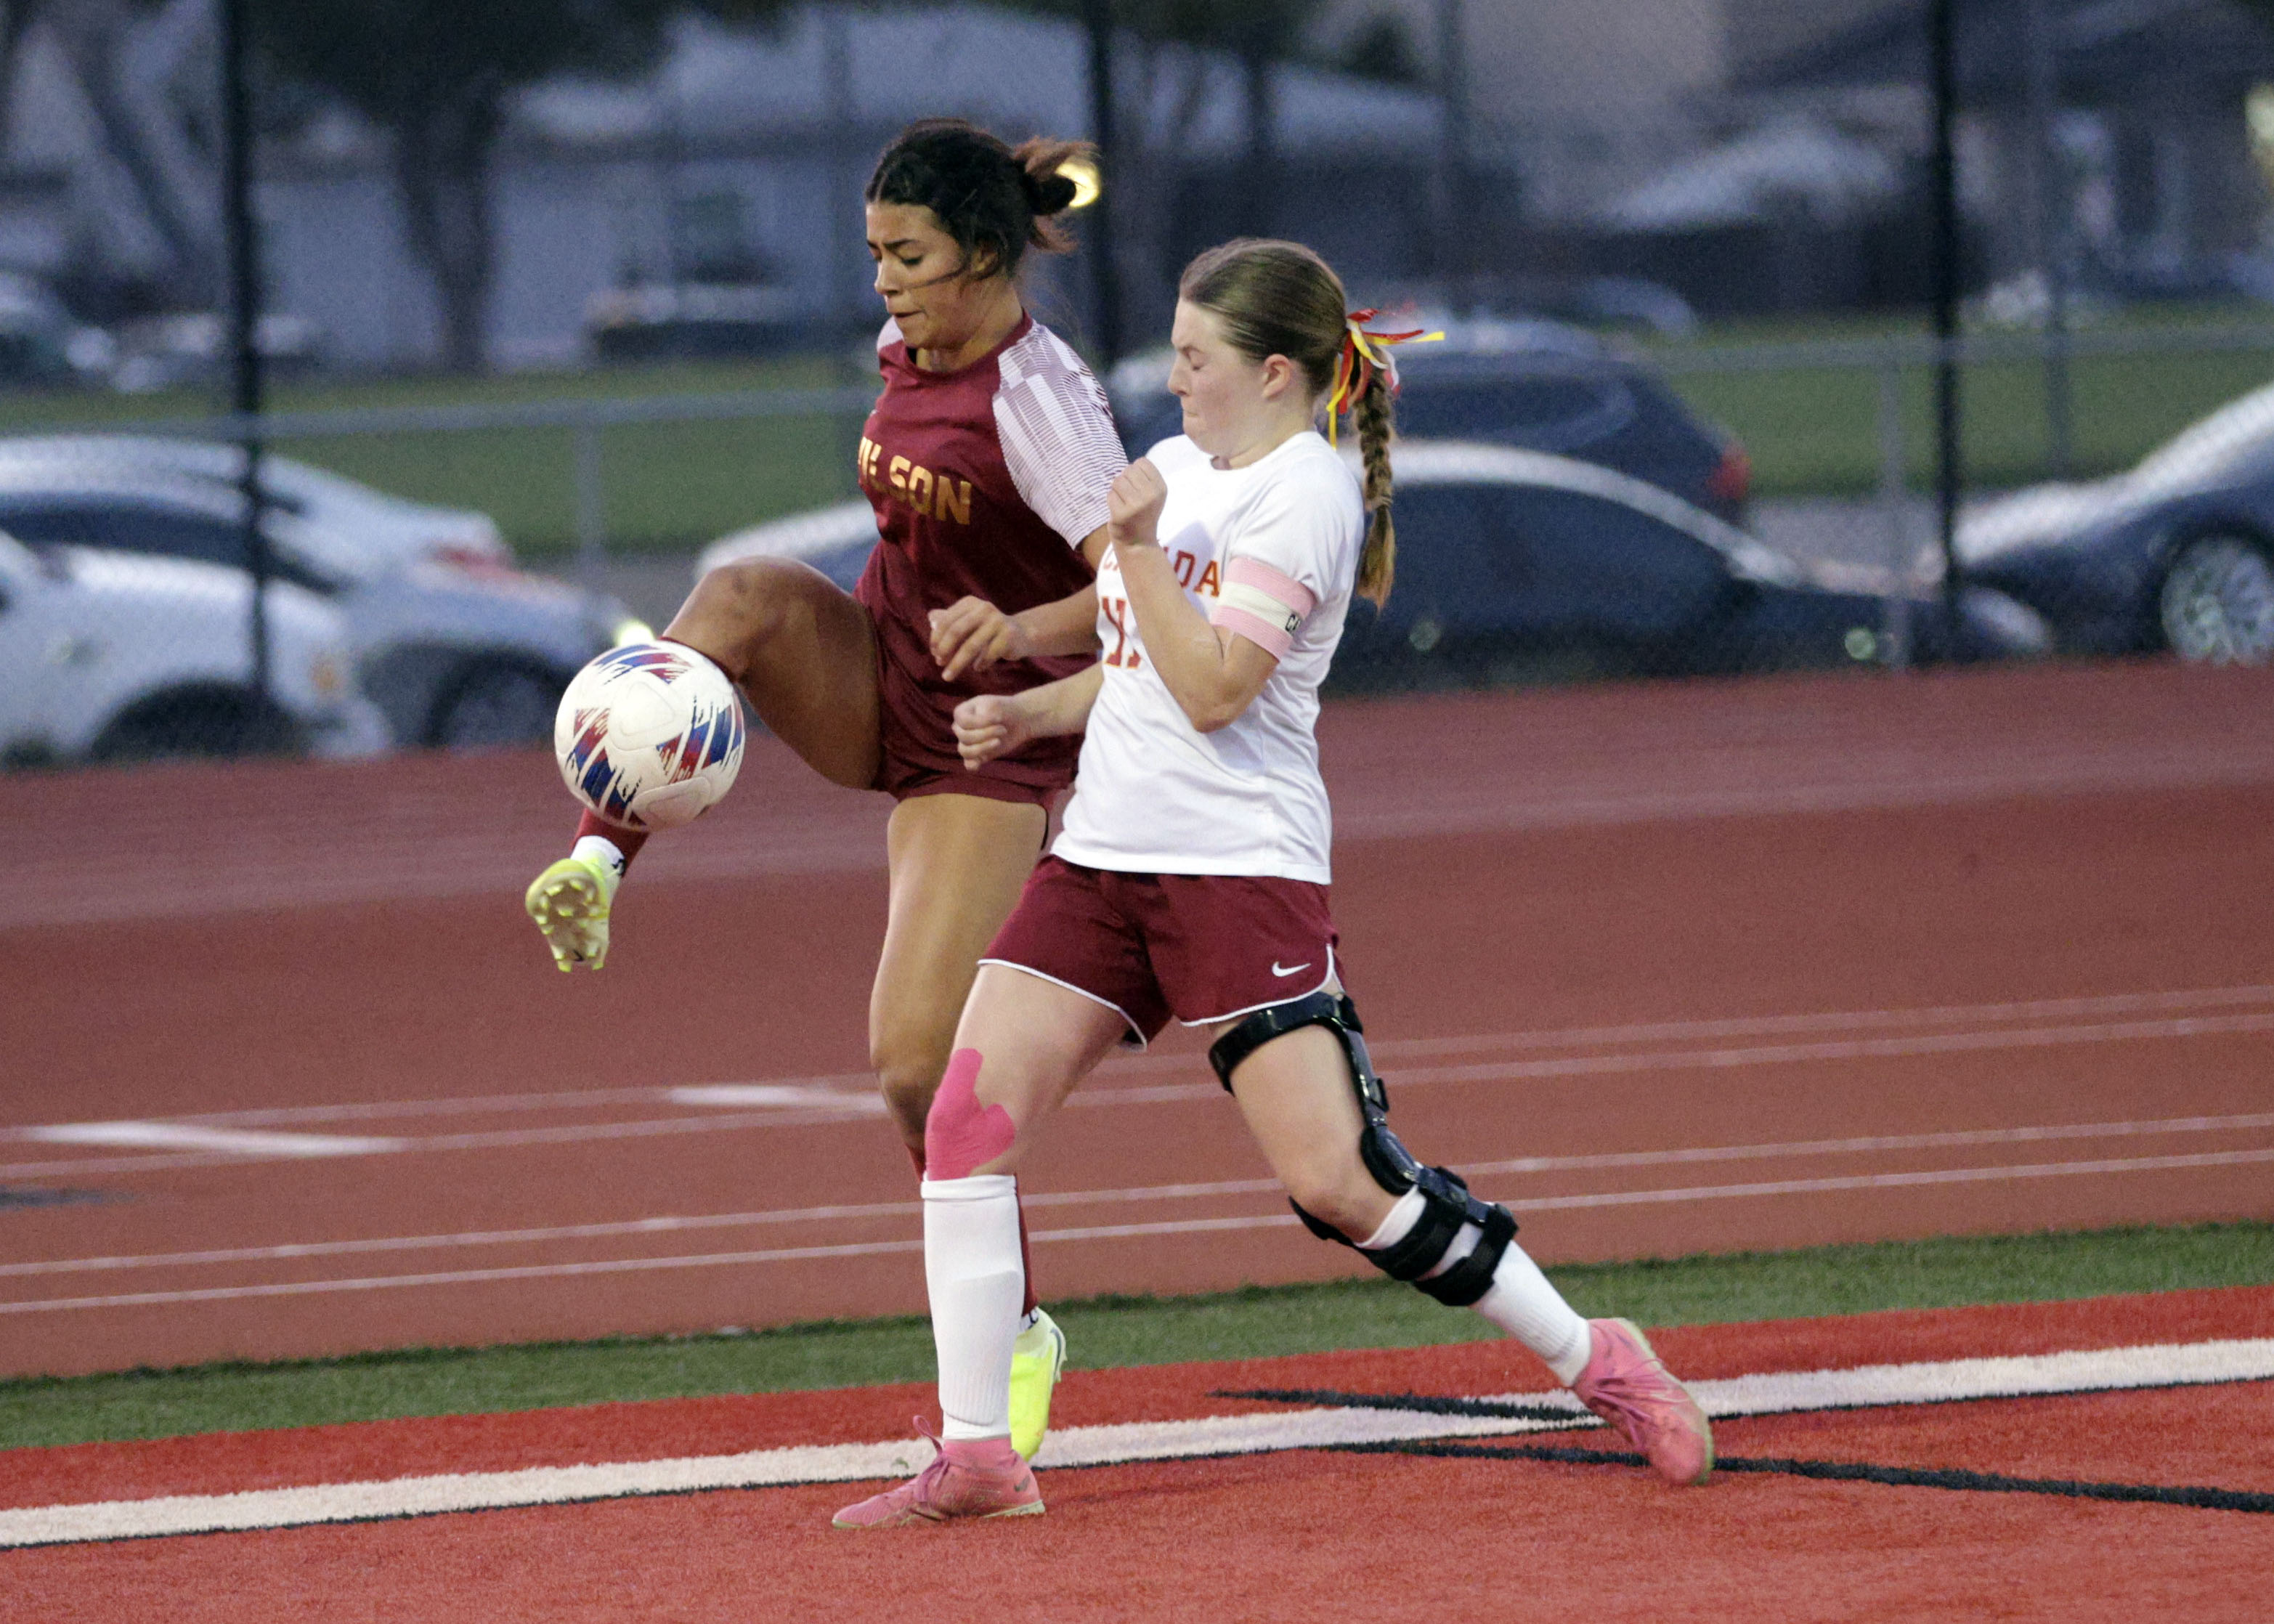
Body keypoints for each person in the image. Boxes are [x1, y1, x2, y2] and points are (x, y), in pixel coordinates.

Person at [833, 239, 1713, 1530]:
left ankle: (1600, 1359)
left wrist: (1125, 554)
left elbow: (1210, 687)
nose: (1174, 379)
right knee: (964, 1121)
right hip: (1104, 861)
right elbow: (1136, 641)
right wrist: (1030, 687)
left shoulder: (1302, 497)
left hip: (1237, 875)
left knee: (1343, 1186)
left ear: (1278, 372)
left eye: (1196, 359)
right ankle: (980, 1455)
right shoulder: (1186, 470)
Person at [524, 119, 1132, 1460]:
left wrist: (1024, 640)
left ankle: (1015, 1328)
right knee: (738, 591)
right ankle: (599, 860)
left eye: (908, 256)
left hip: (988, 738)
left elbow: (1141, 601)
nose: (884, 284)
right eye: (873, 256)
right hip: (882, 674)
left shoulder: (1042, 402)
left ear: (984, 255)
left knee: (919, 1072)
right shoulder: (906, 354)